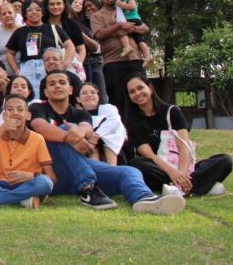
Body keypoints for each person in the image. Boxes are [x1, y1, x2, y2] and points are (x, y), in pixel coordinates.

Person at [28, 70, 185, 215]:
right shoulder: (38, 108)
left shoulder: (79, 112)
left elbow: (87, 128)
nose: (57, 86)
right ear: (46, 92)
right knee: (63, 129)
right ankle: (88, 188)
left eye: (62, 82)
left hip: (80, 166)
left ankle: (144, 199)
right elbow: (40, 127)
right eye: (52, 83)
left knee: (129, 171)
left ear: (70, 89)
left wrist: (78, 133)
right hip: (52, 172)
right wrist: (71, 137)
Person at [124, 74, 233, 197]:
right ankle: (197, 186)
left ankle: (178, 188)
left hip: (181, 166)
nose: (137, 93)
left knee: (224, 160)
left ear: (150, 88)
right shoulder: (131, 121)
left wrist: (181, 173)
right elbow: (149, 155)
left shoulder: (172, 111)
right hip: (158, 168)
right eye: (132, 92)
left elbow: (183, 146)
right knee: (137, 164)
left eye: (140, 88)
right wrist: (173, 174)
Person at [0, 94, 55, 209]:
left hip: (28, 183)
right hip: (3, 183)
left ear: (28, 115)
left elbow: (51, 178)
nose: (15, 113)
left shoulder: (37, 138)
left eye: (20, 109)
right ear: (3, 115)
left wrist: (32, 176)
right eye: (9, 109)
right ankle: (22, 199)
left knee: (45, 183)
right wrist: (2, 129)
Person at [90, 0, 149, 111]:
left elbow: (145, 28)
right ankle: (123, 131)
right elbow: (99, 34)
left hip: (135, 60)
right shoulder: (97, 15)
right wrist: (119, 26)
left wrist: (132, 28)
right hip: (114, 63)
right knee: (119, 101)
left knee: (142, 100)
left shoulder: (128, 10)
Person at [78, 82, 126, 165]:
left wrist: (94, 137)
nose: (89, 95)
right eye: (84, 93)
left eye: (93, 92)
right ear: (78, 99)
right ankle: (97, 168)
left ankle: (111, 168)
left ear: (98, 96)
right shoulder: (78, 115)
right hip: (91, 150)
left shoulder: (107, 108)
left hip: (114, 153)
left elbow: (114, 122)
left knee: (111, 129)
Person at [115, 0, 152, 65]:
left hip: (132, 19)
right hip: (135, 21)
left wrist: (121, 5)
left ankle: (127, 47)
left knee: (121, 31)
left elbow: (132, 7)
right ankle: (147, 56)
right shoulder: (122, 2)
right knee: (140, 39)